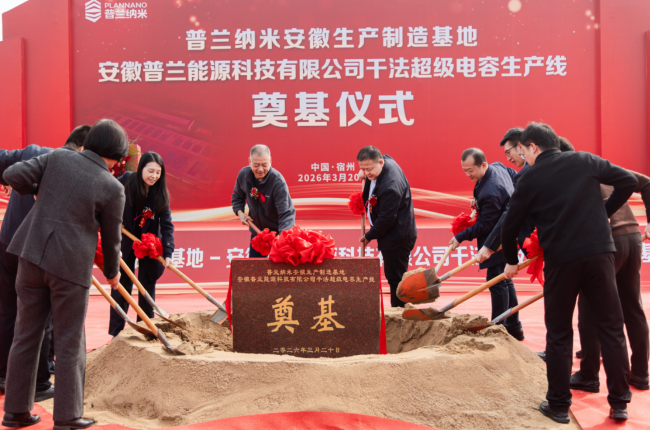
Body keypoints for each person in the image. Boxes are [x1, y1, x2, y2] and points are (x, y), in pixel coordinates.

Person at [502, 122, 635, 423]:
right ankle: (620, 402)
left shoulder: (529, 177)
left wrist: (510, 261)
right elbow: (627, 181)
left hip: (562, 261)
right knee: (612, 328)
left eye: (522, 150)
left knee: (559, 333)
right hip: (600, 254)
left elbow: (510, 228)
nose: (523, 156)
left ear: (533, 147)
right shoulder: (585, 160)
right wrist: (604, 211)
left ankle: (559, 405)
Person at [1, 119, 127, 430]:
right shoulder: (113, 187)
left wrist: (37, 190)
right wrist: (112, 274)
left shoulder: (58, 157)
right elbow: (112, 239)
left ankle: (15, 412)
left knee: (24, 335)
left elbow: (12, 175)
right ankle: (68, 416)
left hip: (31, 255)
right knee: (70, 341)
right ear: (117, 156)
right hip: (70, 267)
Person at [0, 125, 90, 402]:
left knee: (7, 311)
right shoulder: (76, 172)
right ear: (83, 150)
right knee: (40, 318)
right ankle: (38, 383)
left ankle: (3, 375)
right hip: (38, 254)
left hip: (7, 243)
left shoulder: (33, 153)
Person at [568, 153, 650, 393]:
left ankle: (589, 374)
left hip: (604, 242)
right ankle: (641, 373)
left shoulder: (564, 174)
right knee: (633, 307)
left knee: (589, 308)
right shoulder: (599, 167)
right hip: (632, 237)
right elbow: (645, 182)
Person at [450, 148, 524, 340]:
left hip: (497, 239)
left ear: (483, 165)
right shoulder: (497, 167)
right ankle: (514, 326)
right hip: (506, 233)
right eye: (464, 170)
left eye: (471, 170)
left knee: (497, 282)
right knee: (505, 279)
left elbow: (485, 225)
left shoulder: (491, 191)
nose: (468, 174)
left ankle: (498, 329)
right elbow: (512, 174)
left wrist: (460, 237)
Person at [108, 152, 174, 337]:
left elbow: (167, 225)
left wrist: (168, 252)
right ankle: (116, 334)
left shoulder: (160, 193)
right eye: (150, 171)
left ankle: (145, 330)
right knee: (121, 287)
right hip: (126, 240)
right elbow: (109, 196)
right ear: (141, 168)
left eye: (158, 172)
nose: (154, 176)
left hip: (149, 245)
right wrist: (113, 219)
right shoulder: (127, 180)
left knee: (146, 287)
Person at [357, 146, 417, 308]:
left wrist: (369, 235)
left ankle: (400, 312)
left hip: (397, 237)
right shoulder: (386, 161)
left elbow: (386, 220)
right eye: (363, 168)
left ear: (380, 163)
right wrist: (365, 172)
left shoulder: (390, 187)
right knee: (395, 276)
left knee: (395, 278)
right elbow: (380, 159)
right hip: (395, 231)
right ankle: (399, 309)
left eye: (369, 169)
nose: (366, 173)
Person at [232, 145, 295, 257]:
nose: (260, 169)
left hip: (277, 235)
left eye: (264, 165)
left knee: (277, 268)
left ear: (270, 161)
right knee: (255, 267)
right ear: (249, 161)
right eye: (256, 165)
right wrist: (240, 213)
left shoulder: (278, 182)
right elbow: (237, 197)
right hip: (257, 234)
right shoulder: (244, 175)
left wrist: (281, 240)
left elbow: (286, 214)